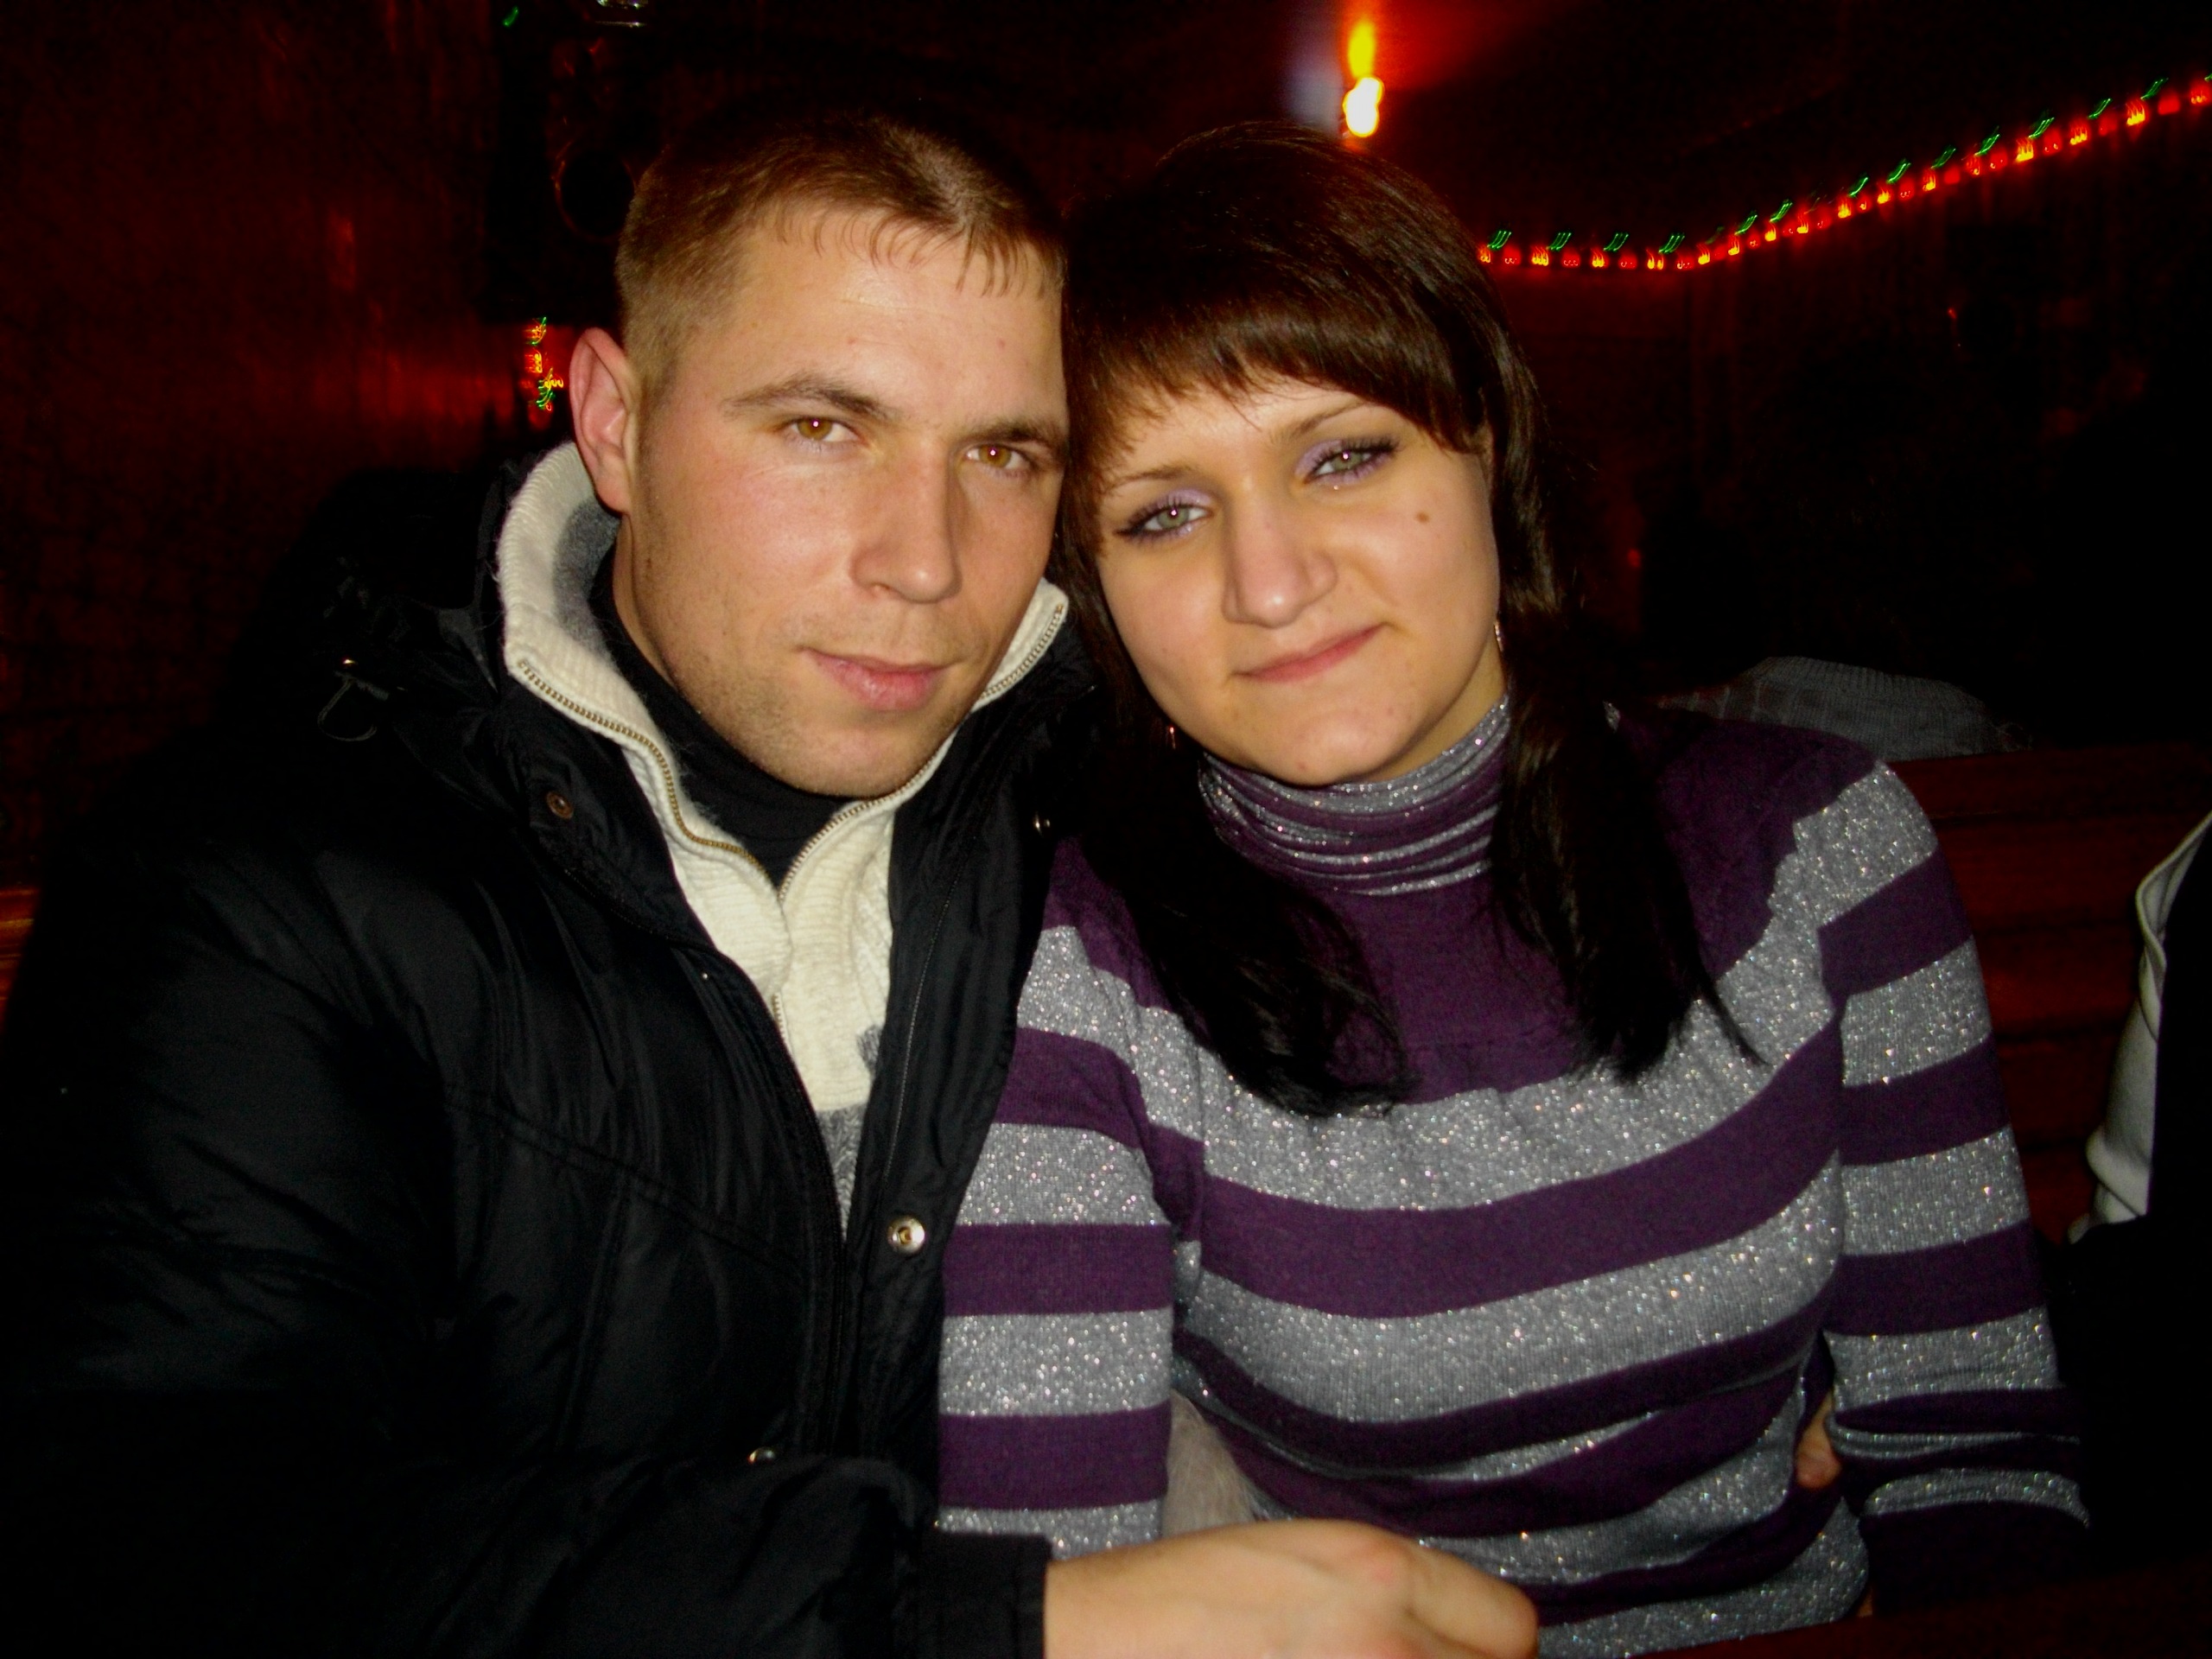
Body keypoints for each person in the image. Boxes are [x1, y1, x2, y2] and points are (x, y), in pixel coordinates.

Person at [2, 96, 1532, 1659]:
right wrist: (974, 1630)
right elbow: (142, 1548)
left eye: (1003, 453)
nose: (924, 559)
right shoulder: (260, 885)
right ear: (614, 421)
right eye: (821, 428)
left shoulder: (1118, 794)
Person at [936, 125, 2087, 1655]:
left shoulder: (1822, 854)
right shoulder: (1074, 976)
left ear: (1486, 442)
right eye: (1165, 513)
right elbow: (1047, 1577)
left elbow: (1971, 1451)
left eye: (1344, 456)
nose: (1270, 584)